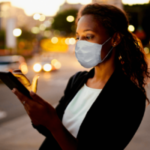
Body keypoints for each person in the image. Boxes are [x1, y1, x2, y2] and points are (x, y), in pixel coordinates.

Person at [12, 3, 150, 150]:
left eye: (88, 36)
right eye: (78, 37)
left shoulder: (131, 97)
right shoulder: (77, 80)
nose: (80, 44)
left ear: (115, 39)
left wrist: (53, 123)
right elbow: (49, 131)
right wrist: (34, 109)